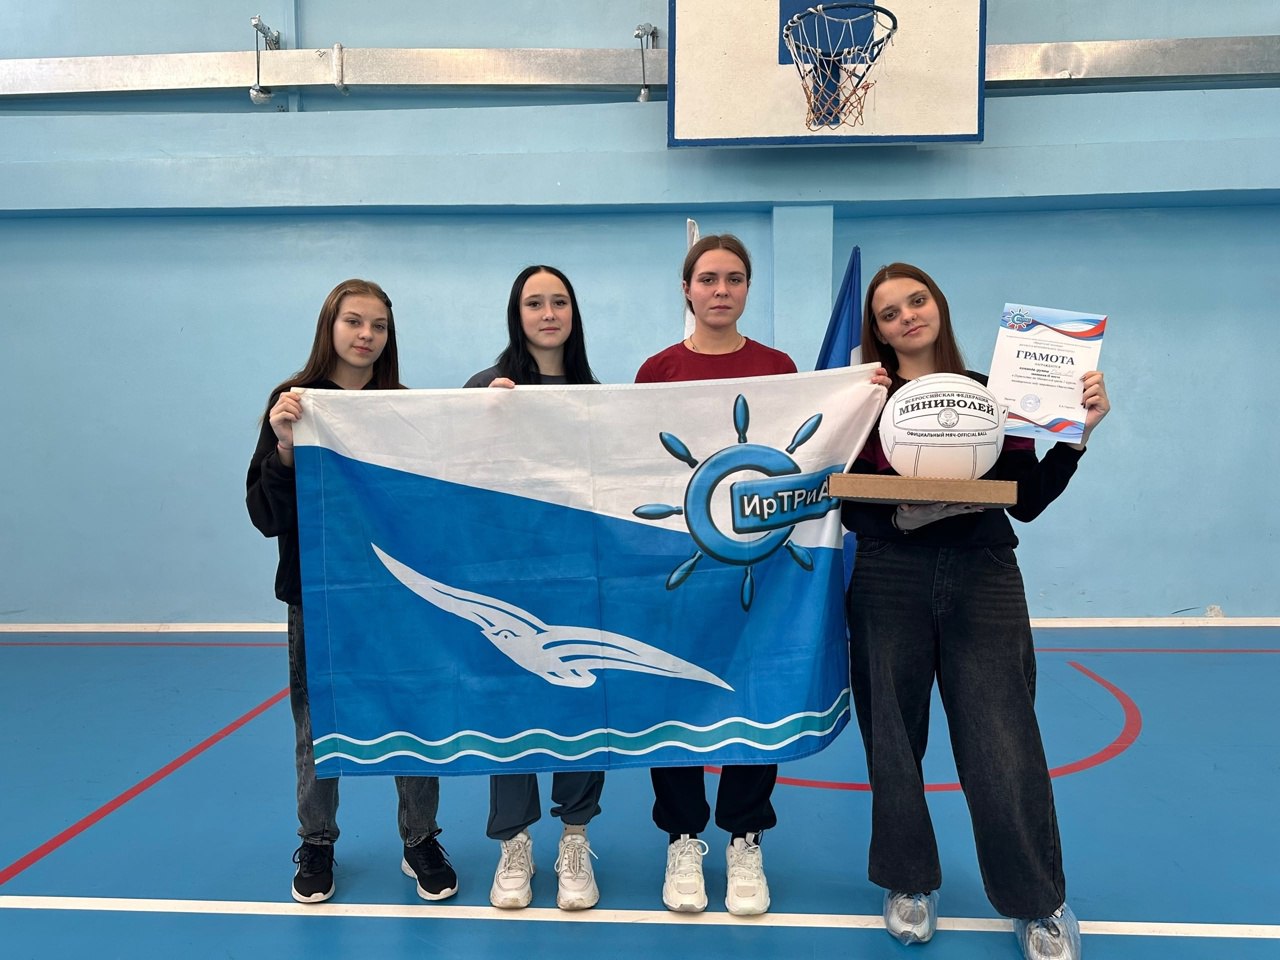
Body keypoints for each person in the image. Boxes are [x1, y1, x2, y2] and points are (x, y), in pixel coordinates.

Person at [842, 263, 1110, 960]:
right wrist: (906, 498)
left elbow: (1027, 499)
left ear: (938, 305)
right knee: (892, 740)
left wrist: (1076, 435)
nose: (907, 316)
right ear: (878, 331)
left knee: (1003, 742)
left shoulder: (999, 393)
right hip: (888, 575)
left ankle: (1037, 901)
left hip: (982, 575)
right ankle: (908, 881)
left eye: (917, 300)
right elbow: (841, 499)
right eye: (889, 312)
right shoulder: (862, 400)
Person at [246, 279, 458, 905]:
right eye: (354, 321)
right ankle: (316, 841)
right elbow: (264, 515)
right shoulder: (293, 403)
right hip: (320, 595)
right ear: (329, 326)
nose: (366, 335)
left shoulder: (404, 409)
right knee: (317, 721)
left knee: (411, 712)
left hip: (398, 597)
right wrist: (285, 448)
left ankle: (420, 839)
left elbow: (430, 503)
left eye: (379, 326)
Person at [635, 234, 798, 917]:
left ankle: (745, 837)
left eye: (734, 278)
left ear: (747, 288)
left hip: (760, 567)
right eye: (708, 278)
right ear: (687, 289)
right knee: (675, 687)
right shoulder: (657, 371)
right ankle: (682, 837)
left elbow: (798, 460)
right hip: (678, 563)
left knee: (756, 689)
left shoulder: (779, 368)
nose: (721, 289)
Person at [464, 265, 605, 911]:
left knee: (582, 702)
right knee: (511, 706)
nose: (548, 313)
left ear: (573, 313)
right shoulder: (484, 388)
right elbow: (447, 468)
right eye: (534, 303)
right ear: (516, 314)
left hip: (578, 577)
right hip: (507, 578)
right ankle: (513, 843)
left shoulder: (600, 398)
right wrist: (480, 417)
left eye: (559, 302)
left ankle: (575, 838)